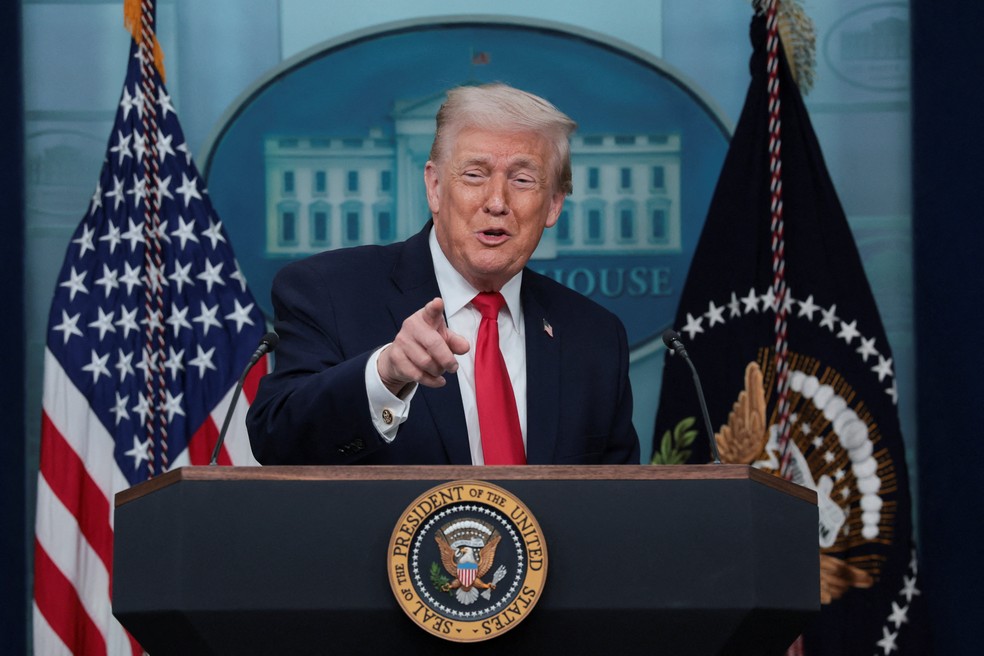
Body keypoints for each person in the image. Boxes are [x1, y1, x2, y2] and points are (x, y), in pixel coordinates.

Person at [246, 83, 640, 465]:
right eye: (474, 174)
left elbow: (617, 507)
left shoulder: (596, 337)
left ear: (554, 205)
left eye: (522, 180)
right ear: (434, 187)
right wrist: (386, 374)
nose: (497, 202)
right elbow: (276, 440)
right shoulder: (328, 291)